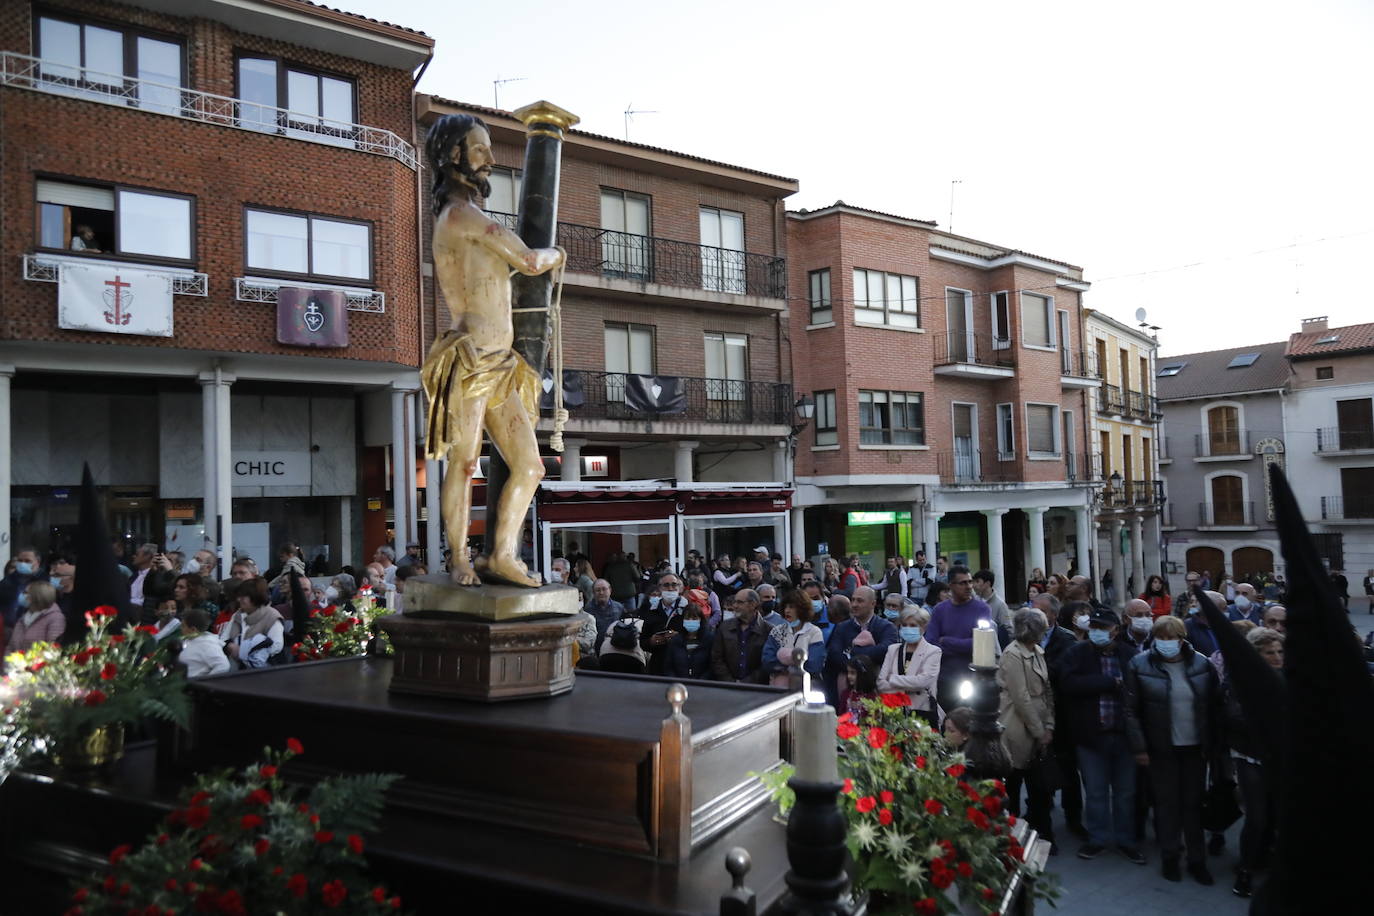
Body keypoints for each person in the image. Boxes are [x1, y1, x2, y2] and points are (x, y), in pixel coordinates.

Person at [1124, 614, 1222, 884]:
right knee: (1167, 805)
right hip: (1160, 748)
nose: (1167, 643)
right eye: (1162, 637)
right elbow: (1131, 711)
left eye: (1172, 637)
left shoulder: (1202, 665)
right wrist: (1140, 747)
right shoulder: (1139, 664)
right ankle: (1170, 856)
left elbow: (1213, 707)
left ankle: (1196, 859)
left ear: (1182, 639)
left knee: (1192, 805)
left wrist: (1213, 744)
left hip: (1194, 747)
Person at [1059, 606, 1141, 864]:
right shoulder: (1077, 653)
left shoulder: (1128, 655)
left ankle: (1126, 839)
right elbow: (1068, 684)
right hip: (1091, 734)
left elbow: (1136, 690)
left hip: (1123, 734)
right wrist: (1108, 683)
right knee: (1095, 791)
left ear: (1115, 631)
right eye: (1093, 628)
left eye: (1102, 629)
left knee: (1125, 792)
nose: (1096, 633)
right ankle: (1097, 838)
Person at [1229, 626, 1284, 898]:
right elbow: (1236, 718)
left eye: (1279, 651)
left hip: (1282, 759)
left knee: (1277, 816)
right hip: (1251, 756)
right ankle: (1245, 870)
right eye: (1269, 653)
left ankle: (1270, 862)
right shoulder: (1242, 681)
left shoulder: (1290, 679)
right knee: (1257, 817)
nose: (1276, 657)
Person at [999, 608, 1057, 849]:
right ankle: (1011, 836)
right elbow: (1021, 697)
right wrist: (1039, 730)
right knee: (1014, 783)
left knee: (1040, 788)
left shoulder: (1037, 651)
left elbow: (1046, 690)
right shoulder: (1013, 655)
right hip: (1016, 727)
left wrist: (1050, 723)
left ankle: (1043, 833)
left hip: (1039, 723)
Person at [924, 566, 993, 713]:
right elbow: (931, 642)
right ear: (951, 586)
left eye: (970, 582)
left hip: (972, 676)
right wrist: (962, 645)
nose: (968, 586)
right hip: (945, 677)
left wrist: (947, 641)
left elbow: (980, 643)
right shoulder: (940, 610)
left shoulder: (982, 609)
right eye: (963, 583)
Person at [823, 586, 898, 706]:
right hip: (843, 691)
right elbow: (834, 654)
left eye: (860, 600)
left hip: (877, 691)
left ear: (873, 603)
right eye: (853, 600)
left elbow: (886, 650)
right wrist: (862, 662)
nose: (854, 604)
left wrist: (852, 653)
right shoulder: (842, 627)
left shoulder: (886, 627)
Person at [877, 604, 941, 727]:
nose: (907, 628)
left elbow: (923, 682)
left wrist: (892, 679)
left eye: (912, 625)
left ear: (923, 627)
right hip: (893, 711)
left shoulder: (933, 651)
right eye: (904, 625)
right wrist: (911, 687)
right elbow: (881, 683)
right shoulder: (893, 649)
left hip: (920, 712)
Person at [762, 590, 825, 690]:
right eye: (786, 607)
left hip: (806, 687)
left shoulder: (814, 632)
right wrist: (793, 666)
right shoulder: (777, 631)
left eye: (791, 607)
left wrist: (786, 666)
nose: (787, 611)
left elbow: (814, 665)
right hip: (778, 688)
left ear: (802, 608)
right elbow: (768, 661)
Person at [218, 578, 284, 669]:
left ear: (255, 597)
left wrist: (245, 652)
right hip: (237, 668)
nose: (238, 599)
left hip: (263, 671)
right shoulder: (237, 615)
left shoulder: (271, 616)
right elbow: (224, 638)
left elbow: (276, 646)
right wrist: (229, 646)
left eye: (243, 596)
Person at [710, 588, 770, 684]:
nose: (735, 606)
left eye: (739, 602)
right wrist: (730, 682)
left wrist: (747, 682)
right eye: (734, 602)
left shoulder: (768, 630)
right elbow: (717, 659)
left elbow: (767, 663)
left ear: (753, 605)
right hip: (727, 687)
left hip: (757, 689)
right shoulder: (724, 627)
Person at [4, 581, 64, 654]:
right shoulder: (23, 618)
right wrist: (7, 664)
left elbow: (52, 649)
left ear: (37, 596)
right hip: (14, 664)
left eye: (25, 592)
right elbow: (10, 647)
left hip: (37, 664)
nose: (22, 595)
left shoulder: (55, 618)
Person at [663, 605, 715, 679]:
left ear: (701, 620)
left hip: (703, 685)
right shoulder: (675, 641)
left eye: (694, 618)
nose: (691, 620)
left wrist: (701, 682)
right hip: (679, 685)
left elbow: (712, 667)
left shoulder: (709, 640)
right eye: (687, 618)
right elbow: (668, 667)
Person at [178, 608, 231, 678]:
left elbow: (223, 666)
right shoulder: (186, 640)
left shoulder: (207, 644)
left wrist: (204, 683)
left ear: (193, 629)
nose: (180, 628)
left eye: (183, 626)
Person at [598, 608, 648, 674]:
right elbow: (648, 647)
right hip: (635, 659)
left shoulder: (615, 623)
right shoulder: (643, 623)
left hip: (607, 655)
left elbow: (605, 638)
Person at [972, 568, 1012, 647]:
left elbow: (1008, 630)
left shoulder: (1000, 604)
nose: (974, 585)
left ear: (987, 583)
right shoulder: (973, 601)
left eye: (977, 582)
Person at [837, 655, 879, 721]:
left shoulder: (871, 697)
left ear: (862, 675)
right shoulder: (846, 694)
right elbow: (841, 716)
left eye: (852, 673)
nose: (849, 676)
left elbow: (874, 721)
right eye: (848, 672)